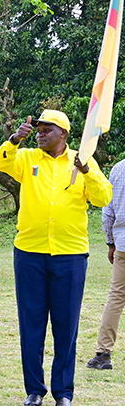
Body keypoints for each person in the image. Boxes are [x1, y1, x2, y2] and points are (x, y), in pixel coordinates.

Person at [0, 110, 112, 406]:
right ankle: (34, 389)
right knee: (31, 324)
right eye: (39, 129)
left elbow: (102, 198)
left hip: (70, 255)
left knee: (66, 325)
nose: (40, 133)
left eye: (47, 129)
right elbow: (2, 162)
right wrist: (14, 139)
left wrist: (87, 171)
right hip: (30, 253)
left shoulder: (81, 162)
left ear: (64, 133)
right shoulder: (28, 158)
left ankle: (64, 392)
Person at [88, 156, 125, 371]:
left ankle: (103, 353)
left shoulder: (118, 170)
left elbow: (107, 210)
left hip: (122, 244)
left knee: (116, 298)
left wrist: (110, 242)